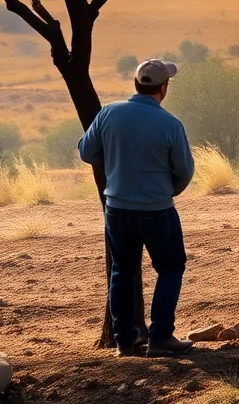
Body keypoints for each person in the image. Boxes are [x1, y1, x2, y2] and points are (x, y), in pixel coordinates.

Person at [78, 59, 196, 358]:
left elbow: (86, 151)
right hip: (157, 211)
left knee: (123, 271)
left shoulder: (108, 113)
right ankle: (159, 338)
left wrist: (116, 162)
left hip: (116, 209)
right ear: (164, 88)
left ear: (135, 83)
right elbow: (184, 170)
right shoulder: (170, 124)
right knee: (170, 267)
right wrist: (169, 190)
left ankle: (125, 341)